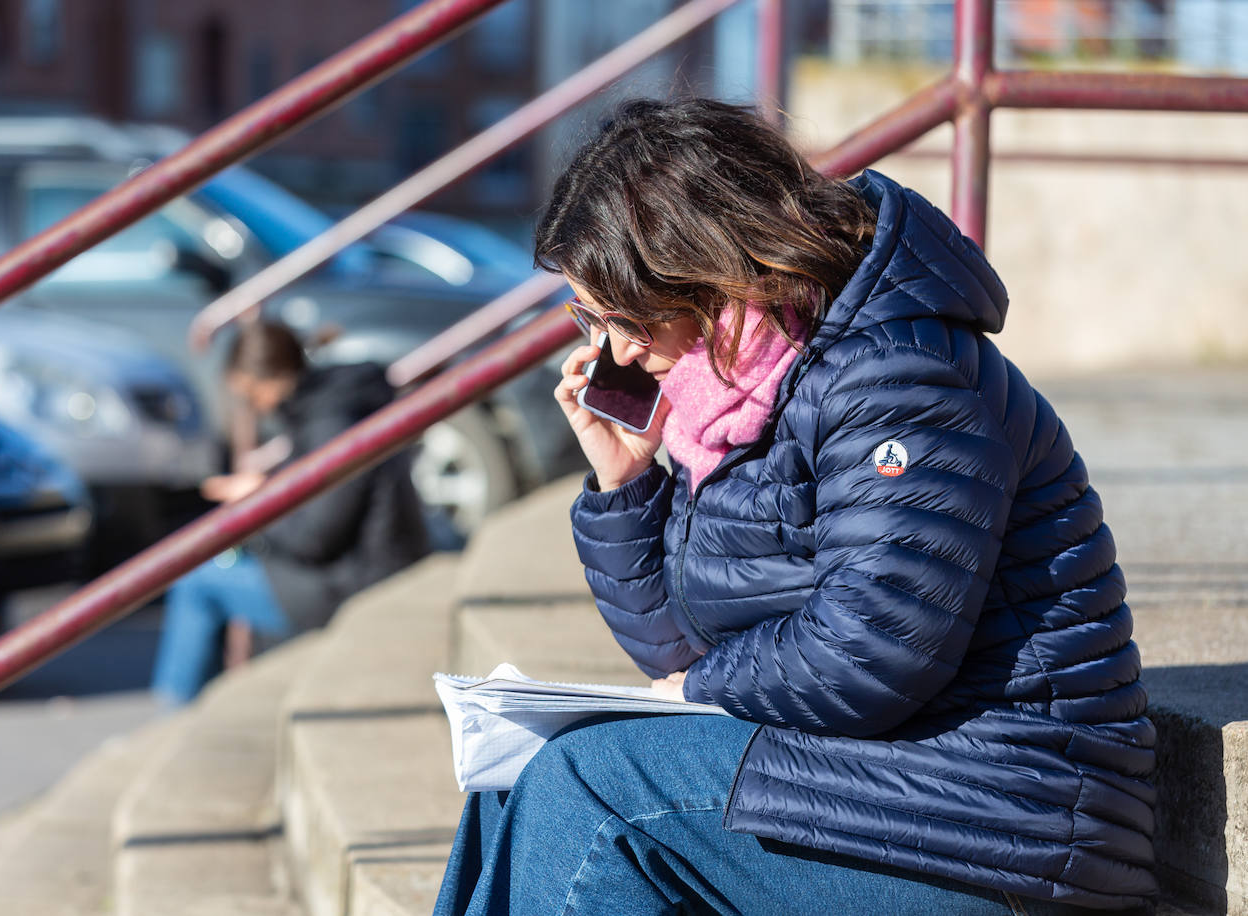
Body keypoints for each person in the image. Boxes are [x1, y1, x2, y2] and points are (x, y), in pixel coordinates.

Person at [433, 99, 1155, 915]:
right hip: (886, 780)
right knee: (515, 778)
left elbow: (875, 649)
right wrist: (626, 484)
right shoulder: (734, 401)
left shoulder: (897, 377)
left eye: (628, 316)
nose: (618, 351)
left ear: (707, 266)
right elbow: (678, 646)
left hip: (1002, 818)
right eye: (591, 318)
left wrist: (697, 692)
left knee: (593, 788)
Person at [151, 320, 430, 705]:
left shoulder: (331, 421)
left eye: (249, 397)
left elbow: (316, 536)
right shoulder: (335, 400)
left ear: (264, 382)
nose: (253, 409)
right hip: (366, 565)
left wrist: (257, 503)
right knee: (210, 574)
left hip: (356, 581)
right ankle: (199, 704)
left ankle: (175, 712)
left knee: (197, 584)